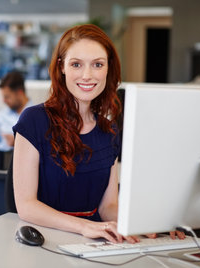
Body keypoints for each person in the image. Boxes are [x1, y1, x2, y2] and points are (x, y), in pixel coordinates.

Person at [12, 24, 184, 244]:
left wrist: (146, 226)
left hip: (95, 241)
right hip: (48, 239)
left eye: (97, 65)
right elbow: (26, 206)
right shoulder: (34, 120)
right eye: (76, 64)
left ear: (107, 69)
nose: (87, 75)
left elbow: (108, 206)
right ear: (61, 67)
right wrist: (85, 227)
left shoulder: (109, 131)